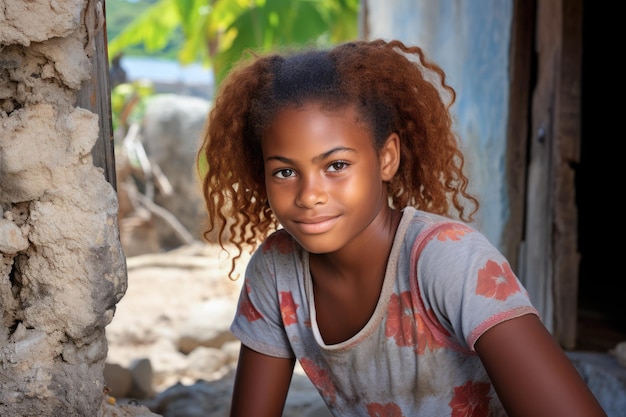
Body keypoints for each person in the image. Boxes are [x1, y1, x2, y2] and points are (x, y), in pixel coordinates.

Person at [197, 39, 607, 417]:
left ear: (387, 158)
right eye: (285, 171)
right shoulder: (276, 271)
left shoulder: (448, 259)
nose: (309, 195)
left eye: (336, 165)